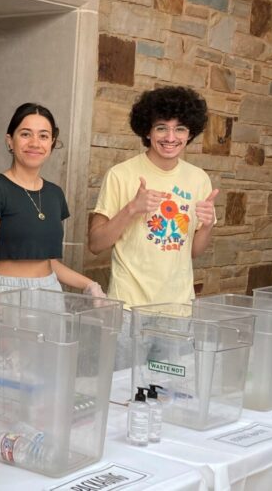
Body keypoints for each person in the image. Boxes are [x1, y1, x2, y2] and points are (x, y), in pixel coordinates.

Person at [87, 86, 217, 368]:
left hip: (177, 309)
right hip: (128, 309)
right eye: (162, 128)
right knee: (122, 394)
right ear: (147, 131)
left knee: (168, 395)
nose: (171, 138)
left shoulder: (198, 180)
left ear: (190, 133)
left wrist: (207, 225)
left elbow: (193, 251)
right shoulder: (121, 175)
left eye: (180, 129)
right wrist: (131, 209)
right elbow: (96, 244)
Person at [0, 102, 103, 297]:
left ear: (51, 143)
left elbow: (48, 263)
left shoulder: (54, 194)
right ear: (10, 141)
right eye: (25, 134)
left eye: (43, 136)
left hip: (50, 291)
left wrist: (90, 285)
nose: (35, 143)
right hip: (6, 293)